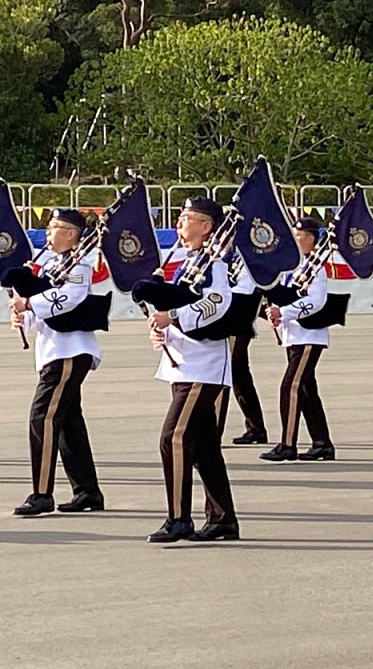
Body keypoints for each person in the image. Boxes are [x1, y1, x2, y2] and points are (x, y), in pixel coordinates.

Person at [146, 197, 239, 543]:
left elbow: (216, 303)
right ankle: (222, 518)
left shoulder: (214, 264)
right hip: (184, 363)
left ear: (207, 227)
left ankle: (178, 517)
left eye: (187, 218)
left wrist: (174, 318)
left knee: (174, 438)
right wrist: (161, 328)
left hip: (203, 365)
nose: (179, 224)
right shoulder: (191, 262)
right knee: (202, 446)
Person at [10, 209, 105, 517]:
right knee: (67, 422)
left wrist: (30, 303)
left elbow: (69, 299)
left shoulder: (81, 265)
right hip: (54, 349)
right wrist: (23, 314)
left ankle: (41, 492)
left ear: (72, 234)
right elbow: (42, 306)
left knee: (44, 418)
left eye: (54, 227)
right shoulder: (51, 264)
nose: (48, 233)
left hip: (69, 351)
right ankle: (87, 491)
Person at [260, 218, 336, 463]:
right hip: (292, 334)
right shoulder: (292, 267)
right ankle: (322, 442)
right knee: (305, 390)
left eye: (300, 235)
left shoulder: (316, 267)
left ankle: (287, 443)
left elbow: (316, 301)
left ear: (312, 239)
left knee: (290, 387)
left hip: (309, 335)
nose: (295, 239)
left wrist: (284, 312)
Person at [223, 253, 269, 445]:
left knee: (223, 375)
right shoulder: (230, 257)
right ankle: (256, 428)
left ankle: (212, 432)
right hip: (227, 321)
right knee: (239, 377)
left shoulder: (248, 258)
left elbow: (246, 290)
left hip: (237, 321)